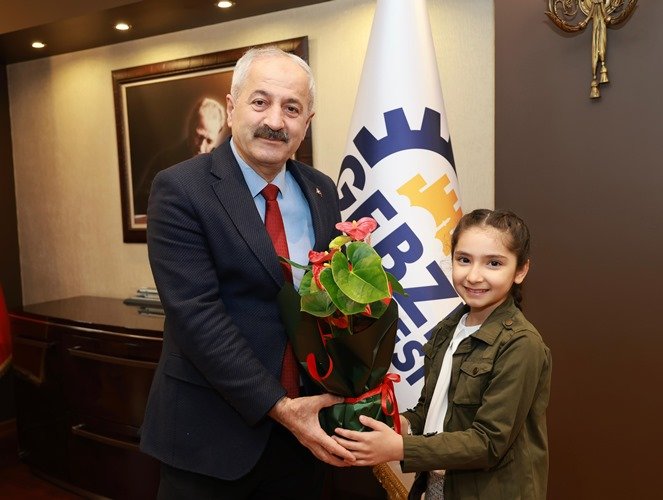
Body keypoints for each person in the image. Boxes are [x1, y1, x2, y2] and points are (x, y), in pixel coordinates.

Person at [140, 46, 355, 499]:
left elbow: (327, 303)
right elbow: (197, 317)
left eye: (292, 108)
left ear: (307, 122)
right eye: (260, 102)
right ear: (233, 106)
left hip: (305, 436)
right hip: (211, 439)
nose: (275, 120)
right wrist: (280, 407)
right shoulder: (181, 188)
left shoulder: (321, 190)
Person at [333, 209, 552, 499]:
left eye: (494, 263)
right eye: (464, 260)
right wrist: (393, 423)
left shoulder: (521, 344)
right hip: (438, 485)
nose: (474, 276)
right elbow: (432, 410)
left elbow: (488, 443)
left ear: (521, 270)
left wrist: (400, 448)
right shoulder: (448, 329)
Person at [133, 97, 229, 215]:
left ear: (218, 136)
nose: (201, 147)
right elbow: (142, 202)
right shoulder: (164, 160)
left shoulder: (223, 166)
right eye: (199, 136)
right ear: (190, 127)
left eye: (209, 141)